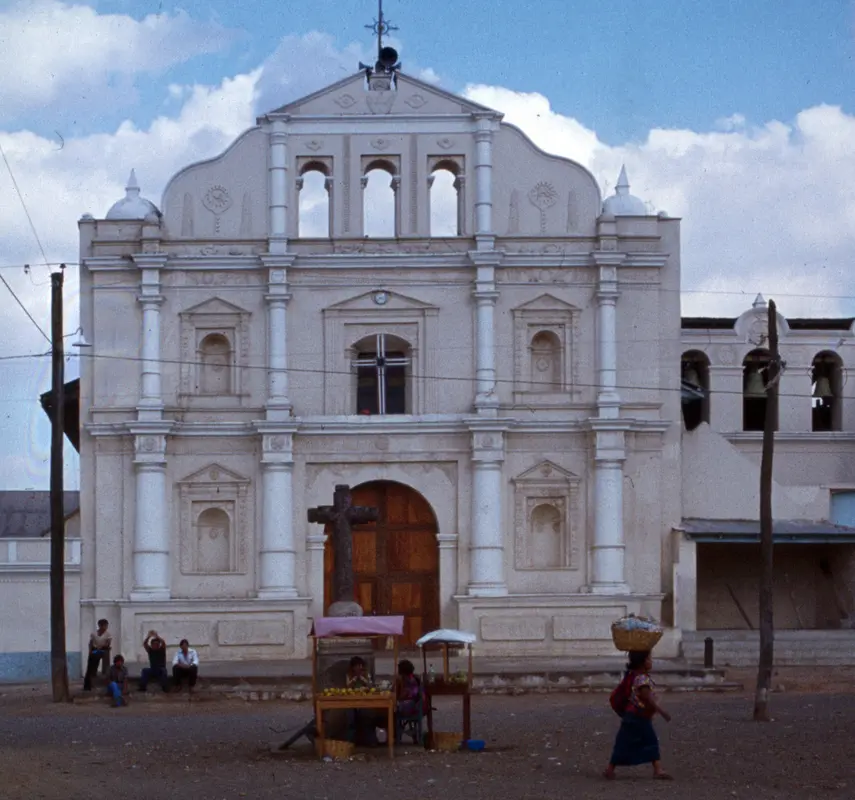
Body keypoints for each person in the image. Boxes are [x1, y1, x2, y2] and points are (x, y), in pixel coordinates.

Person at [603, 650, 673, 781]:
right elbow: (647, 698)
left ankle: (610, 769)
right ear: (642, 662)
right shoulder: (642, 679)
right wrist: (662, 712)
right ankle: (657, 770)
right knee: (650, 741)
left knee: (623, 742)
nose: (651, 661)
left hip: (632, 716)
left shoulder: (632, 675)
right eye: (649, 659)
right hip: (639, 717)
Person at [83, 619, 112, 691]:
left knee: (100, 660)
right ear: (100, 626)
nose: (105, 627)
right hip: (95, 650)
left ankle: (103, 676)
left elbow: (108, 644)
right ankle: (88, 684)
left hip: (103, 650)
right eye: (104, 625)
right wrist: (90, 651)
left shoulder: (108, 634)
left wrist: (102, 648)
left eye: (106, 626)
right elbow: (90, 643)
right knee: (90, 666)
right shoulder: (94, 634)